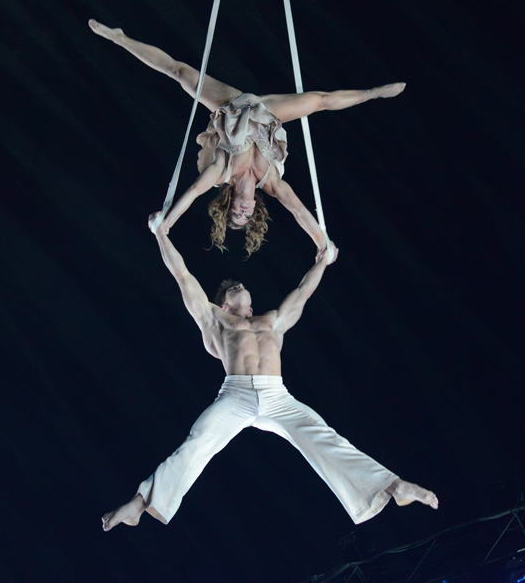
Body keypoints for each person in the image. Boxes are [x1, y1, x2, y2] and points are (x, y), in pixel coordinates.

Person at [101, 224, 438, 531]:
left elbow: (304, 291)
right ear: (225, 305)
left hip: (277, 396)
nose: (238, 283)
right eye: (231, 289)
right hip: (235, 395)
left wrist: (324, 260)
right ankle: (140, 502)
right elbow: (182, 274)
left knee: (325, 438)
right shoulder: (215, 320)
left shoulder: (272, 320)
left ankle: (395, 486)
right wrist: (161, 234)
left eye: (240, 285)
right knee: (198, 442)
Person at [89, 19, 406, 258]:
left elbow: (195, 191)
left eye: (235, 215)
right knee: (321, 101)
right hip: (268, 113)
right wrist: (324, 244)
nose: (242, 212)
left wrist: (168, 223)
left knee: (180, 72)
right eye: (246, 216)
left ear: (229, 206)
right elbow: (299, 211)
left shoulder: (223, 172)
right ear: (255, 209)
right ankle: (374, 93)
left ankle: (120, 38)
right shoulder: (271, 183)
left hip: (232, 106)